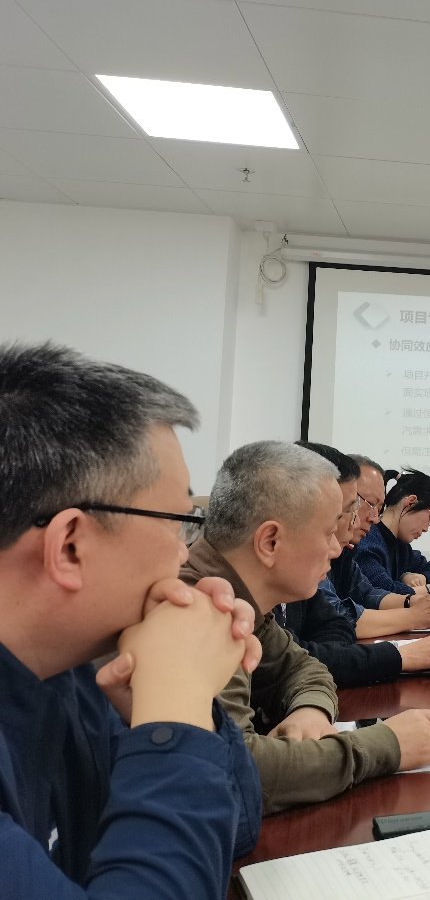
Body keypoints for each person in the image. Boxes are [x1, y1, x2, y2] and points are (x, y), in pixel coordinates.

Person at [0, 342, 263, 898]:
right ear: (70, 546)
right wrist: (177, 702)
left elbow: (237, 829)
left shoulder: (75, 670)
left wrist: (170, 702)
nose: (185, 554)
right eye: (178, 522)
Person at [185, 440, 430, 814]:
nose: (337, 548)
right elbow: (236, 772)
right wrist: (388, 744)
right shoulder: (200, 608)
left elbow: (306, 668)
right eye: (327, 532)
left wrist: (311, 710)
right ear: (270, 541)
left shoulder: (245, 599)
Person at [291, 443, 430, 678]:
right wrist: (414, 615)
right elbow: (332, 630)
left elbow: (353, 607)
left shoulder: (352, 550)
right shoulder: (364, 543)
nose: (373, 518)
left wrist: (413, 600)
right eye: (354, 507)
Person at [354, 468, 430, 602]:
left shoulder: (401, 546)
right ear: (411, 502)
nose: (426, 529)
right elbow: (381, 593)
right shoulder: (366, 538)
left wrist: (411, 576)